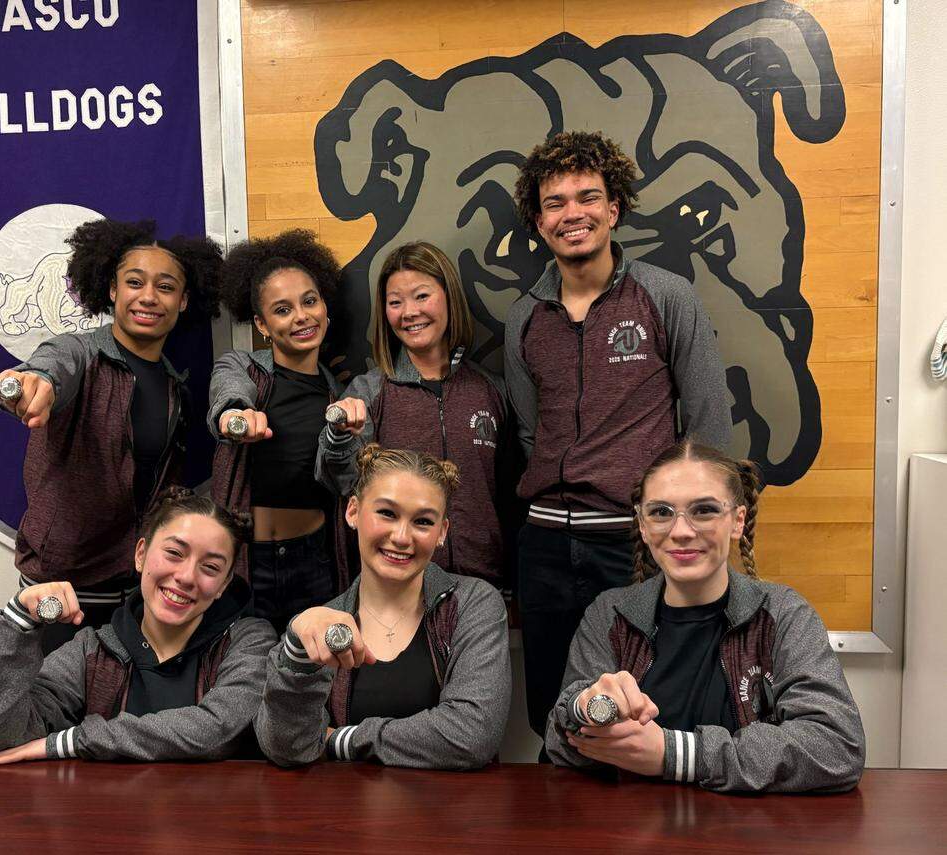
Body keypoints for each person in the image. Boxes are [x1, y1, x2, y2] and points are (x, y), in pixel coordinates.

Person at [505, 130, 732, 738]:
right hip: (546, 545)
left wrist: (682, 521)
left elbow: (709, 422)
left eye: (587, 197)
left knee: (649, 708)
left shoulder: (666, 295)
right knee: (555, 712)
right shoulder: (524, 317)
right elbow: (528, 432)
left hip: (635, 543)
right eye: (555, 203)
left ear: (613, 208)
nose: (572, 214)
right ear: (538, 221)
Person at [544, 439, 865, 793]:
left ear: (737, 521)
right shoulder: (609, 614)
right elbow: (560, 745)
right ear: (643, 525)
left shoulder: (784, 614)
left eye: (704, 510)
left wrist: (675, 754)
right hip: (634, 823)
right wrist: (584, 708)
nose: (681, 531)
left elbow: (837, 748)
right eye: (661, 512)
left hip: (747, 825)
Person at [0, 218, 222, 653]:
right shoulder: (79, 352)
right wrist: (29, 384)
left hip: (136, 594)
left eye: (165, 287)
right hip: (62, 592)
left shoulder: (176, 386)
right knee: (52, 698)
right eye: (134, 282)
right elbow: (50, 368)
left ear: (184, 300)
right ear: (112, 290)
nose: (148, 296)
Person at [0, 487, 276, 763]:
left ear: (223, 584)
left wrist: (76, 741)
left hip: (215, 812)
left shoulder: (249, 642)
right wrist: (18, 621)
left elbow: (217, 730)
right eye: (174, 553)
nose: (186, 577)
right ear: (141, 554)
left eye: (210, 567)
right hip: (109, 812)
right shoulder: (91, 651)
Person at [255, 445, 510, 770]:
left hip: (453, 803)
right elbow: (284, 747)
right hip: (345, 803)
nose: (402, 537)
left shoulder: (473, 604)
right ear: (353, 512)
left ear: (442, 533)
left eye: (423, 522)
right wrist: (296, 654)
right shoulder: (321, 624)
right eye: (387, 513)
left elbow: (472, 735)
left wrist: (342, 740)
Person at [317, 241, 518, 590]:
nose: (409, 312)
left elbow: (510, 495)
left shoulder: (491, 390)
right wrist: (338, 435)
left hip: (483, 586)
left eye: (422, 296)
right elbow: (339, 479)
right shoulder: (370, 391)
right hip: (397, 587)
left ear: (449, 298)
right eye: (395, 302)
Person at [207, 229, 348, 633]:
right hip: (246, 560)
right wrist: (236, 418)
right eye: (283, 309)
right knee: (241, 664)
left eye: (310, 301)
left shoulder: (341, 395)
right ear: (262, 324)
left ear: (325, 307)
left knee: (312, 666)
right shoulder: (244, 368)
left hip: (314, 562)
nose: (302, 316)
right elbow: (228, 392)